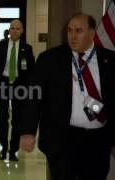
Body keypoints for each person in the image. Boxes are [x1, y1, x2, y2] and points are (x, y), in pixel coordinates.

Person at [19, 13, 115, 180]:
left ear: (92, 33)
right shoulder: (50, 59)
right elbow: (33, 96)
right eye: (69, 31)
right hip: (62, 140)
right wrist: (28, 131)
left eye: (79, 31)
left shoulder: (110, 60)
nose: (72, 36)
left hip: (98, 141)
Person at [0, 19, 35, 161]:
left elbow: (31, 70)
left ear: (22, 31)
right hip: (3, 83)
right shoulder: (0, 46)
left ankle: (13, 149)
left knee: (17, 119)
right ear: (9, 30)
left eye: (17, 29)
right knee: (2, 117)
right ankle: (3, 148)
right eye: (12, 28)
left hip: (19, 85)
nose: (14, 31)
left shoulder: (27, 48)